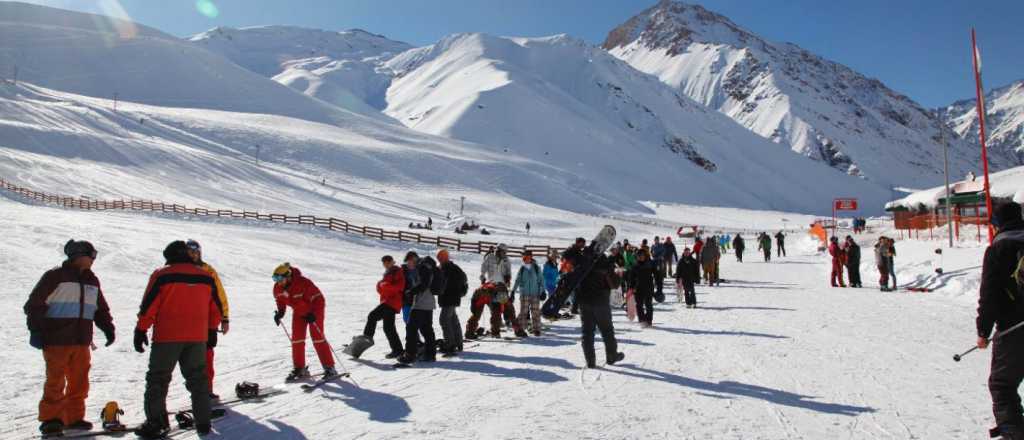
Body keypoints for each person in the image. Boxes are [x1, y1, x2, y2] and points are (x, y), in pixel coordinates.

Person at [24, 240, 115, 436]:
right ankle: (52, 420)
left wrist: (108, 328)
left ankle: (74, 418)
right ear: (79, 256)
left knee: (79, 381)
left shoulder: (92, 280)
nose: (93, 259)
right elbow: (34, 305)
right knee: (55, 381)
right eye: (92, 255)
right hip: (57, 338)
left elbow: (100, 308)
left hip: (81, 340)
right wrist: (36, 331)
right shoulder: (55, 276)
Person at [134, 241, 218, 438]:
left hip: (167, 337)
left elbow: (149, 305)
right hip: (197, 337)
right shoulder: (206, 276)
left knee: (158, 379)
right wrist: (212, 330)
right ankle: (204, 422)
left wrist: (141, 329)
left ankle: (157, 422)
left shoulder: (162, 275)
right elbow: (215, 306)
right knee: (198, 379)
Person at [976, 202, 1024, 438]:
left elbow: (989, 295)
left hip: (1013, 329)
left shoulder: (998, 249)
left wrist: (983, 331)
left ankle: (1014, 432)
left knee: (1002, 385)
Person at [561, 244, 624, 367]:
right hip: (601, 301)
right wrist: (619, 276)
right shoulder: (603, 261)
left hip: (584, 301)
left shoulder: (581, 261)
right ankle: (611, 356)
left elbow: (565, 255)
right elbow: (615, 283)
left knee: (587, 332)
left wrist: (575, 248)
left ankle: (590, 361)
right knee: (607, 330)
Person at [272, 263, 336, 381]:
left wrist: (314, 314)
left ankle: (329, 368)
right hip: (299, 311)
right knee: (297, 339)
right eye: (275, 279)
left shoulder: (303, 283)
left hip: (315, 308)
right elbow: (280, 300)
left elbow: (317, 298)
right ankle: (300, 369)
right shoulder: (277, 288)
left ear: (288, 276)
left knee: (317, 337)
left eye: (280, 279)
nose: (277, 282)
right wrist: (280, 312)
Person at [185, 240, 229, 400]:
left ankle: (206, 391)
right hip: (184, 323)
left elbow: (220, 297)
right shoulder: (179, 270)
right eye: (190, 252)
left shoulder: (208, 271)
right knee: (188, 360)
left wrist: (224, 318)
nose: (193, 256)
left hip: (206, 323)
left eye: (196, 252)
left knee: (206, 358)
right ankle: (196, 392)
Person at [357, 255, 405, 359]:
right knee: (388, 328)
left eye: (388, 262)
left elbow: (400, 287)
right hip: (388, 302)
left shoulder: (397, 271)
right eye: (384, 263)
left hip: (392, 302)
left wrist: (385, 286)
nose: (386, 264)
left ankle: (367, 337)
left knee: (372, 316)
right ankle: (398, 350)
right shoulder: (387, 273)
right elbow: (382, 290)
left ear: (392, 262)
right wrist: (380, 286)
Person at [398, 252, 439, 364]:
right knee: (427, 330)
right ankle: (430, 354)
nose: (408, 264)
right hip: (428, 303)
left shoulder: (422, 267)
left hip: (421, 303)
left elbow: (424, 284)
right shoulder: (426, 266)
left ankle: (410, 355)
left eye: (408, 262)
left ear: (413, 259)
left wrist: (411, 291)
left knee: (411, 329)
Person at [437, 250, 468, 355]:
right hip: (449, 298)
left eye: (440, 258)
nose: (439, 260)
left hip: (450, 298)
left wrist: (456, 291)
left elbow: (462, 280)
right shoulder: (446, 268)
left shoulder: (450, 268)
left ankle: (450, 345)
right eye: (439, 258)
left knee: (444, 320)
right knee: (453, 319)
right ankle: (458, 342)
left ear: (445, 258)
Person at [512, 250, 546, 336]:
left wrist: (543, 291)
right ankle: (520, 329)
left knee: (535, 312)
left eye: (528, 256)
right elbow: (517, 280)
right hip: (524, 294)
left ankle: (537, 329)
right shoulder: (522, 268)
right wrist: (513, 291)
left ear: (531, 257)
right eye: (525, 257)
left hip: (535, 293)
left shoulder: (536, 268)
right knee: (523, 312)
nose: (526, 258)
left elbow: (541, 280)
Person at [629, 250, 657, 327]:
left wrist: (659, 287)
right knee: (639, 305)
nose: (641, 257)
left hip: (649, 287)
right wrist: (631, 288)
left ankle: (649, 320)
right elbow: (631, 278)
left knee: (649, 304)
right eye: (639, 256)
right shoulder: (635, 266)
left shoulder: (650, 264)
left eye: (642, 255)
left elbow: (657, 275)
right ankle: (642, 320)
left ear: (645, 256)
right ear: (637, 257)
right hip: (638, 288)